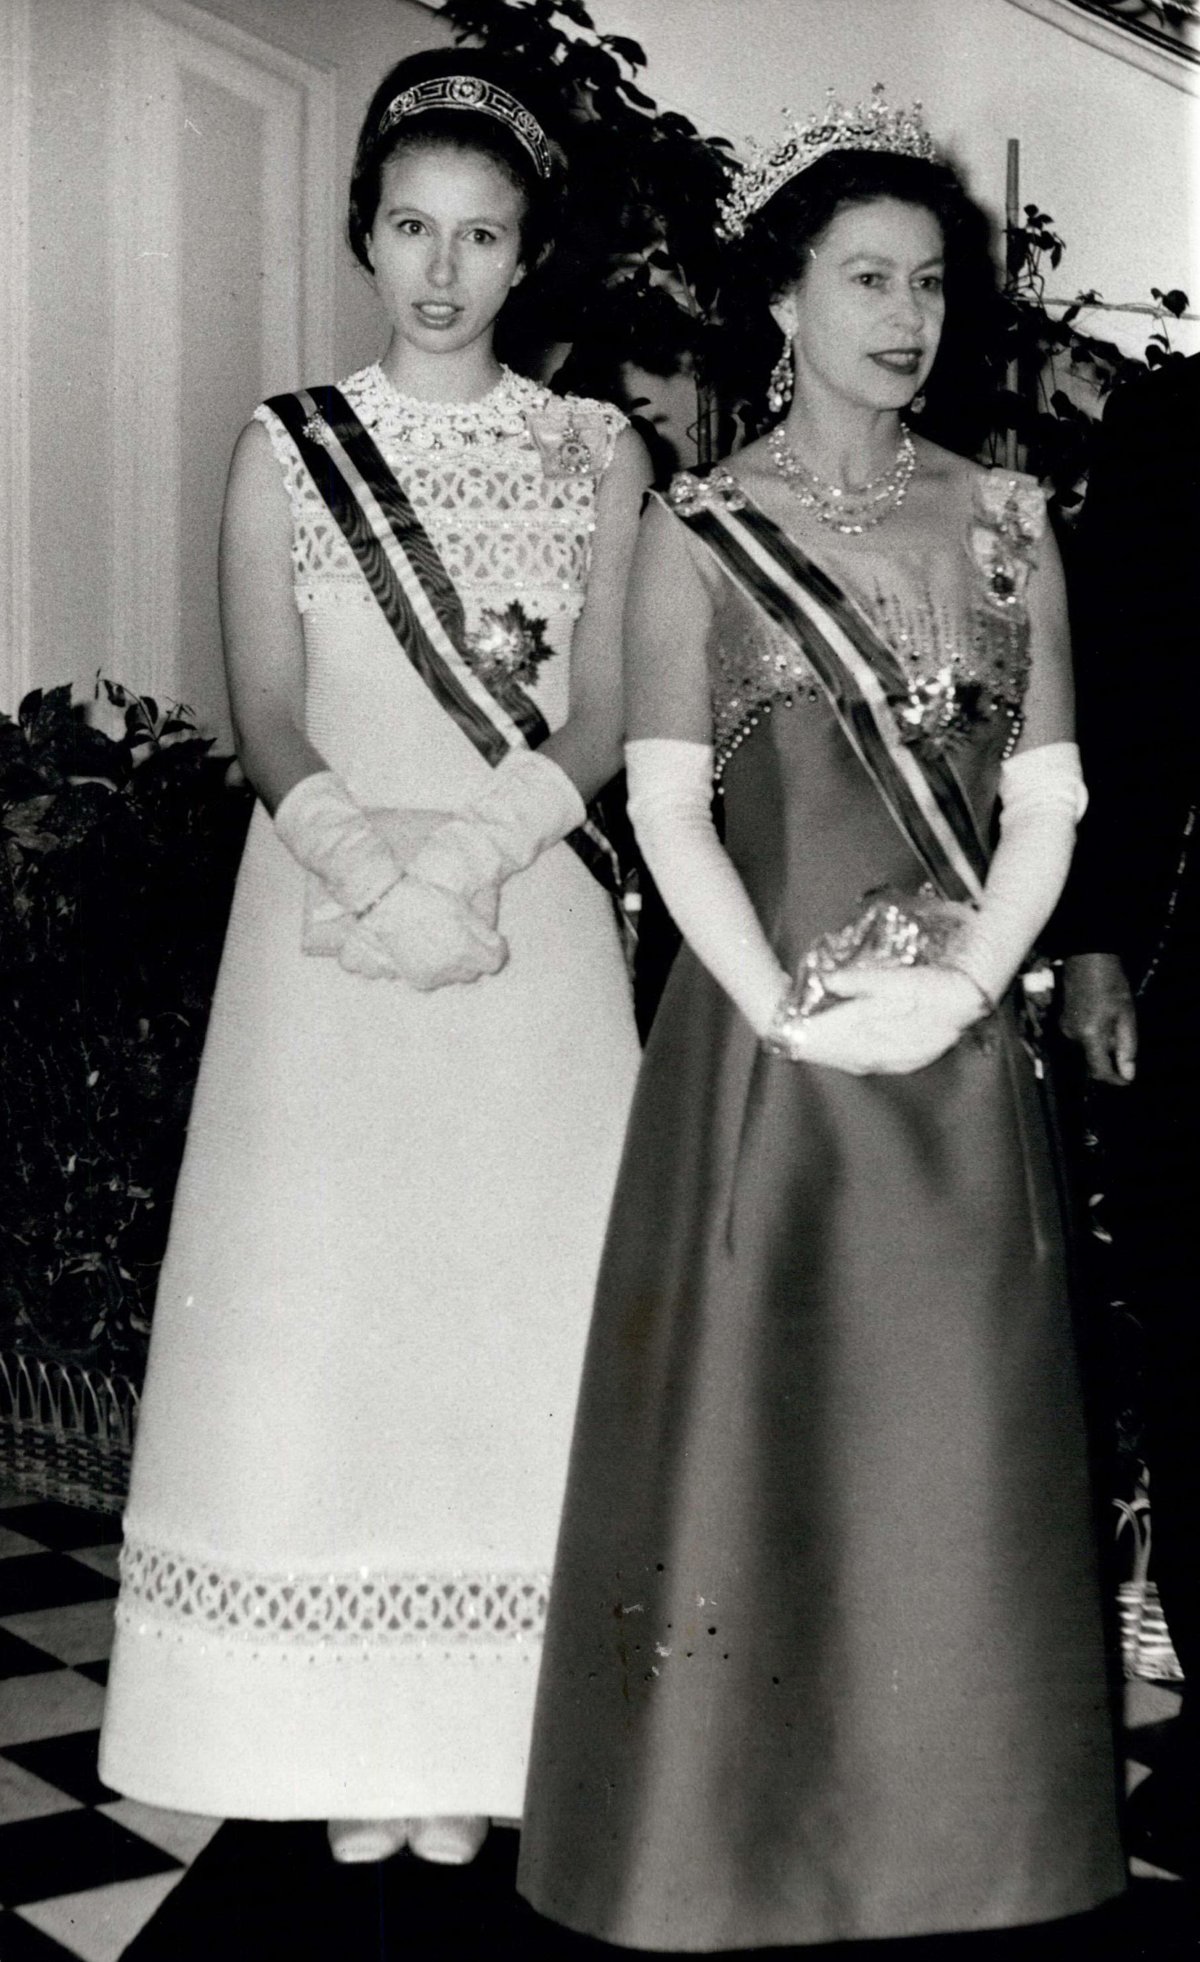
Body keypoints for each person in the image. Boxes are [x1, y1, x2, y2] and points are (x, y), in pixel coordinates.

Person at [517, 91, 1125, 1950]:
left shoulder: (1007, 525)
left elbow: (1047, 804)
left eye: (931, 285)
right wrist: (780, 1005)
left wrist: (958, 984)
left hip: (951, 1073)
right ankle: (728, 1850)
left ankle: (969, 1852)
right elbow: (669, 802)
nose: (906, 316)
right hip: (761, 1067)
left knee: (944, 1461)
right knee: (761, 1448)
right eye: (864, 278)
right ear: (781, 298)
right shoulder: (701, 532)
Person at [99, 47, 648, 1867]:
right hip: (326, 928)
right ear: (362, 232)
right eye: (410, 226)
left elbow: (614, 713)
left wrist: (478, 866)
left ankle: (496, 1735)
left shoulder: (595, 449)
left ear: (526, 257)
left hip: (526, 926)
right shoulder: (286, 442)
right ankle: (339, 1727)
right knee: (342, 1316)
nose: (440, 270)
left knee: (510, 1313)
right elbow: (265, 712)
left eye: (481, 237)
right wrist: (373, 874)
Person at [1057, 352, 1200, 1880]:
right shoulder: (1175, 424)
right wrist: (1096, 943)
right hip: (1188, 958)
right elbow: (1114, 688)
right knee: (1188, 1327)